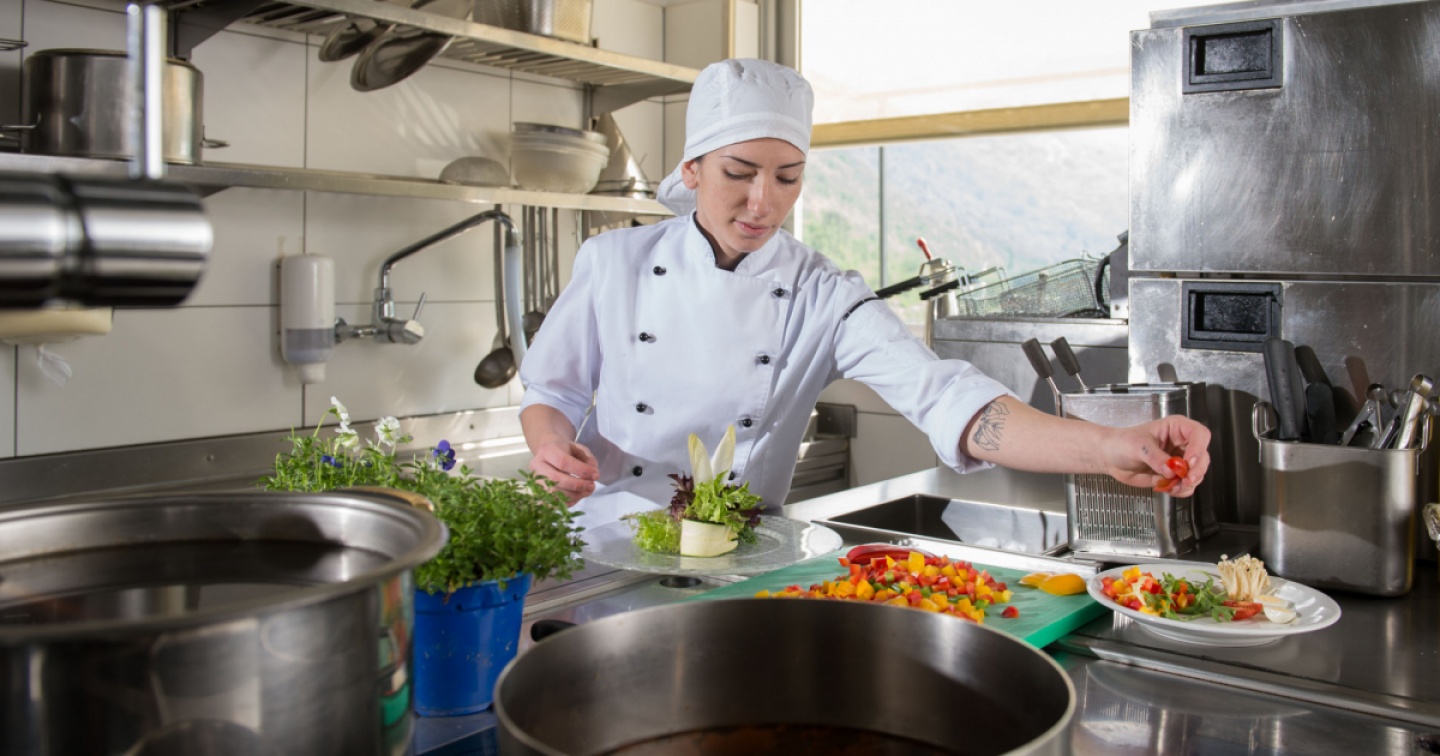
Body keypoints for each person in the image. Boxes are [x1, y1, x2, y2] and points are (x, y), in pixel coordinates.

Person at [519, 58, 1209, 532]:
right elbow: (552, 390)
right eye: (739, 172)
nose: (764, 202)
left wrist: (1108, 447)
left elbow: (947, 397)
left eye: (787, 177)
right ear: (693, 169)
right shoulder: (613, 262)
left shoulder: (822, 294)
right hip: (603, 537)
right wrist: (552, 447)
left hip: (734, 557)